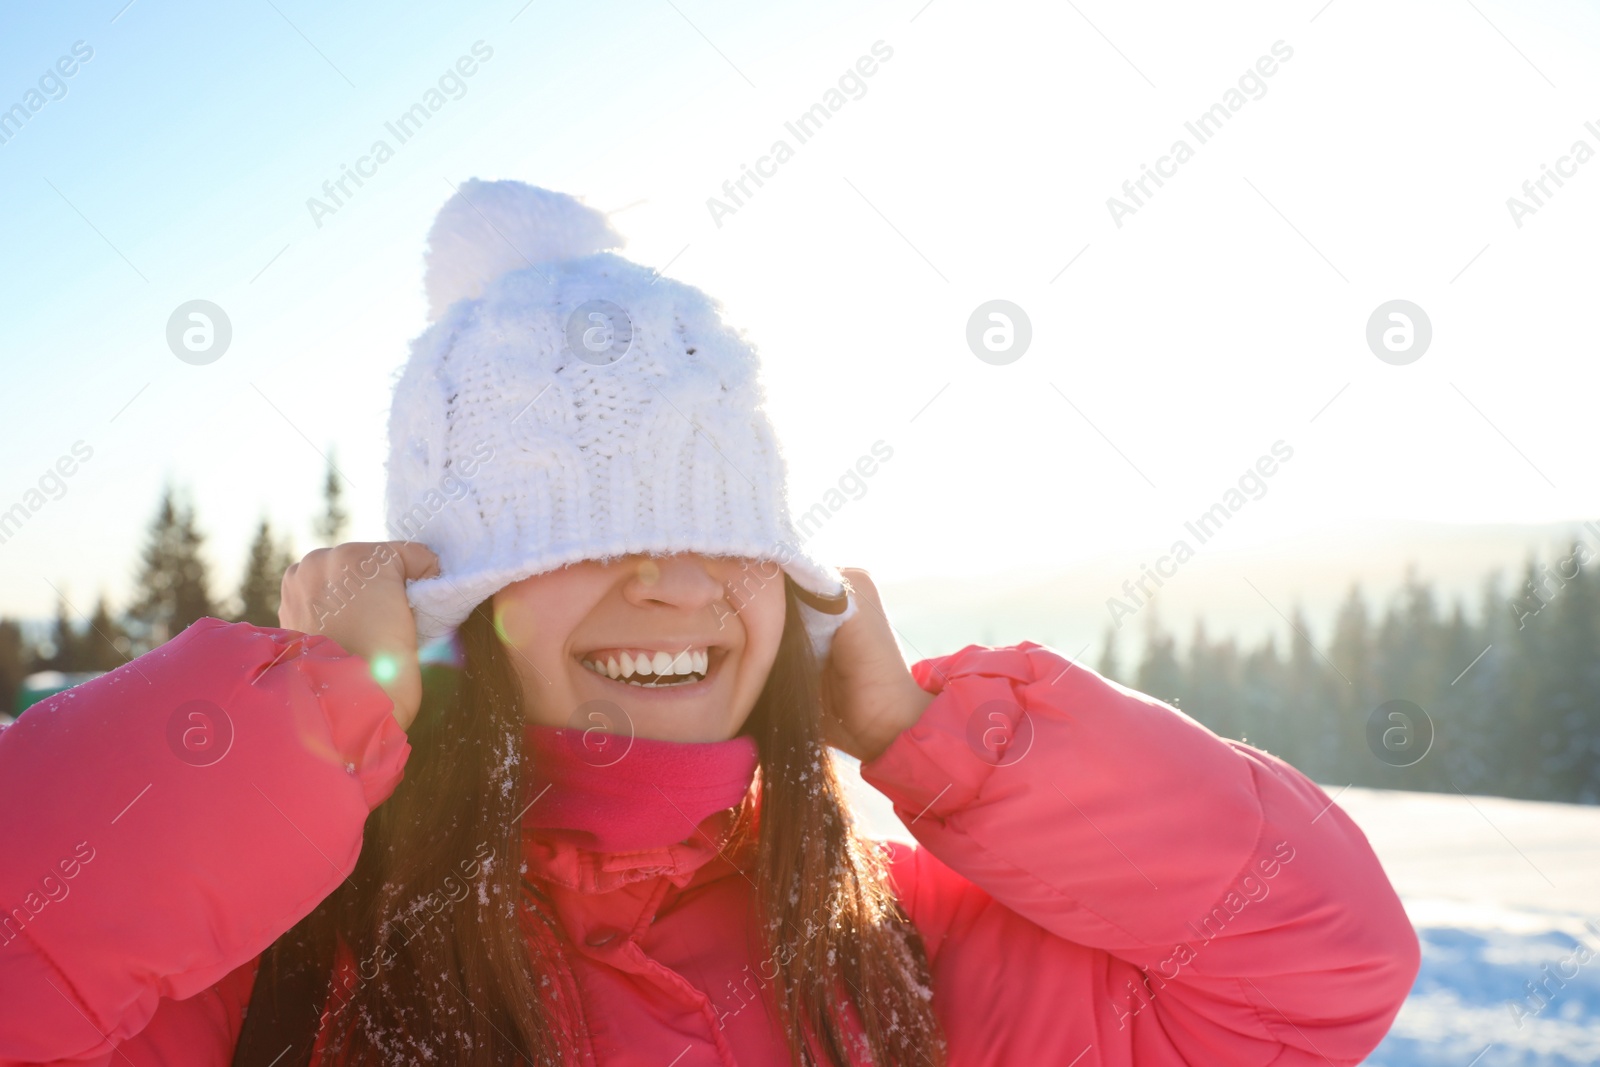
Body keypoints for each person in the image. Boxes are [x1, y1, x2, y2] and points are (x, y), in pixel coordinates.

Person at [0, 181, 1419, 1066]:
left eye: (726, 541)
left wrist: (936, 740)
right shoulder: (277, 957)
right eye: (591, 540)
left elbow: (1311, 972)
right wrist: (316, 716)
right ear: (463, 598)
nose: (677, 586)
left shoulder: (894, 949)